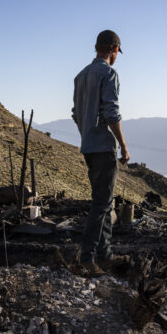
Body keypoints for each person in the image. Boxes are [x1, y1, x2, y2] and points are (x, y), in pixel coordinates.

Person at [72, 30, 130, 274]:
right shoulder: (108, 73)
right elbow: (111, 113)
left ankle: (105, 255)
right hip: (104, 147)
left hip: (88, 146)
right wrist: (123, 145)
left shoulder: (81, 75)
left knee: (103, 203)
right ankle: (87, 258)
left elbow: (76, 113)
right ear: (114, 49)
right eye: (118, 52)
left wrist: (87, 132)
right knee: (101, 204)